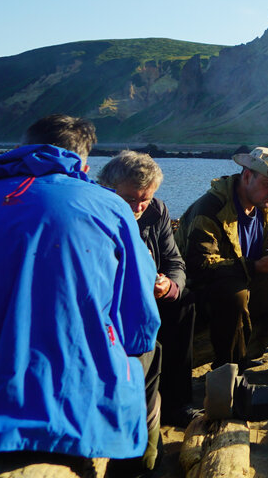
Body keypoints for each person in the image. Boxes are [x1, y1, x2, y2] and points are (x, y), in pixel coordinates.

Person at [0, 115, 159, 475]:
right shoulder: (110, 207)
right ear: (84, 163)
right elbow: (140, 319)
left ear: (21, 148)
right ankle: (140, 465)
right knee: (146, 356)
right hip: (69, 395)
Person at [181, 146, 268, 387]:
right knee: (234, 293)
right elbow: (199, 265)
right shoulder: (211, 208)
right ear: (247, 176)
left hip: (250, 283)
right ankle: (229, 375)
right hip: (206, 294)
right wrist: (254, 266)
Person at [99, 151, 202, 434]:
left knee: (184, 303)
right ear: (109, 188)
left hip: (153, 296)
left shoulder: (156, 211)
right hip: (113, 302)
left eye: (145, 197)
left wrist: (169, 286)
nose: (139, 206)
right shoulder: (97, 212)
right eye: (131, 199)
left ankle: (178, 403)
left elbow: (174, 261)